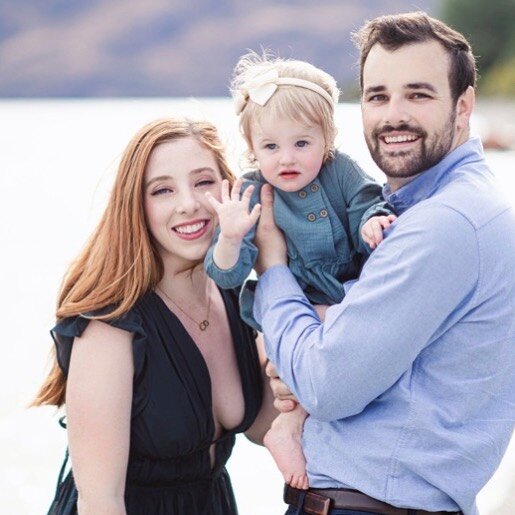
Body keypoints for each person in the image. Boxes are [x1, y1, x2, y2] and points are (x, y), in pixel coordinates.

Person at [252, 11, 515, 515]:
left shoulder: (445, 223)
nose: (393, 115)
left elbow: (326, 385)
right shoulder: (421, 210)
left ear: (464, 106)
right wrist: (320, 330)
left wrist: (273, 269)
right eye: (377, 96)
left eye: (418, 94)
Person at [32, 117, 277, 515]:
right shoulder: (111, 325)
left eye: (203, 182)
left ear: (230, 187)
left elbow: (263, 428)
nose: (189, 204)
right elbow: (100, 502)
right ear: (137, 207)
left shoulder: (235, 296)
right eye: (163, 190)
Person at [203, 52, 396, 489]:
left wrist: (371, 221)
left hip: (343, 292)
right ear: (252, 148)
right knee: (289, 365)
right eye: (270, 147)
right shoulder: (250, 190)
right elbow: (226, 278)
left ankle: (298, 428)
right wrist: (231, 239)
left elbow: (368, 203)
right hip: (282, 304)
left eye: (301, 144)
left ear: (326, 140)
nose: (286, 158)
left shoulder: (339, 172)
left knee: (341, 351)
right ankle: (286, 428)